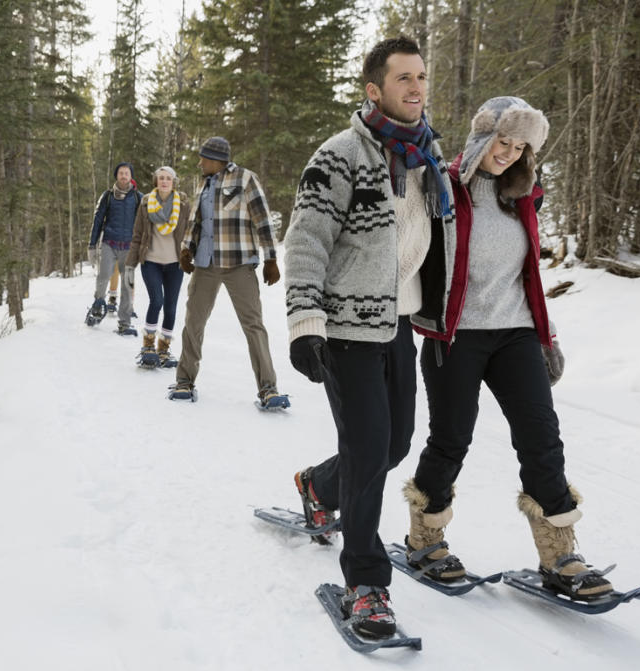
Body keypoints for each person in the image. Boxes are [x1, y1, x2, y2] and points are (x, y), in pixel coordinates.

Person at [401, 96, 613, 600]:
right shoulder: (443, 186)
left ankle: (559, 554)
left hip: (515, 331)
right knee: (451, 439)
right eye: (504, 141)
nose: (510, 153)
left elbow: (529, 274)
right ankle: (424, 539)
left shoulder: (524, 194)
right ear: (482, 137)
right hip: (456, 334)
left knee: (542, 437)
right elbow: (409, 249)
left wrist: (547, 336)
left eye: (521, 147)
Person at [283, 36, 455, 639]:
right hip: (346, 331)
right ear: (373, 89)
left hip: (399, 325)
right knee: (369, 446)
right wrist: (305, 323)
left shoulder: (427, 158)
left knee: (395, 443)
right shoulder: (339, 156)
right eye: (403, 78)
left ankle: (317, 484)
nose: (416, 87)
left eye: (422, 77)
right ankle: (366, 583)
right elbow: (305, 242)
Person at [169, 136, 286, 408]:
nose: (200, 163)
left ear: (217, 160)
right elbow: (194, 222)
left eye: (204, 159)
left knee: (253, 325)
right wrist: (187, 249)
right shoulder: (204, 184)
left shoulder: (245, 179)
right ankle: (184, 381)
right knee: (193, 323)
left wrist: (270, 259)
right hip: (205, 265)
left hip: (238, 264)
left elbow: (263, 220)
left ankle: (268, 389)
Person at [126, 166, 191, 367]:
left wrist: (190, 255)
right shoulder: (146, 203)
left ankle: (163, 349)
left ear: (173, 182)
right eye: (161, 178)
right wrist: (130, 264)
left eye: (168, 179)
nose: (164, 181)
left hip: (175, 264)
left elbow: (190, 232)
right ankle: (148, 346)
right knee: (157, 301)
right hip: (151, 262)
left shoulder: (183, 204)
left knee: (171, 308)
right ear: (156, 181)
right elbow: (137, 236)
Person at [87, 162, 142, 334]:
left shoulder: (138, 197)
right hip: (109, 243)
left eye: (127, 173)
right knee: (104, 275)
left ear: (131, 176)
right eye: (121, 173)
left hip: (130, 247)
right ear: (116, 176)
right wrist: (91, 245)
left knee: (128, 282)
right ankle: (97, 305)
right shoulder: (108, 196)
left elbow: (144, 224)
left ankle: (124, 322)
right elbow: (98, 220)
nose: (124, 176)